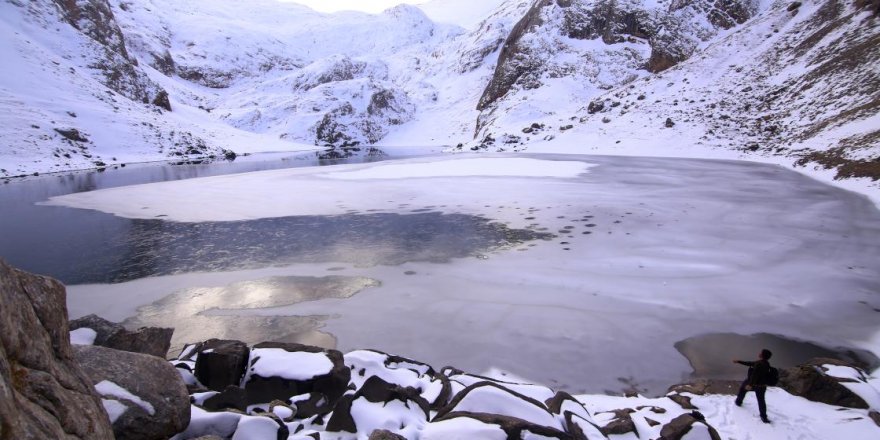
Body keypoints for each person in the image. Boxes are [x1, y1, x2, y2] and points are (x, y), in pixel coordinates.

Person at [733, 348, 773, 423]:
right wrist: (739, 361)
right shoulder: (766, 363)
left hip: (754, 384)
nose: (759, 353)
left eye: (760, 352)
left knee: (742, 389)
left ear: (762, 355)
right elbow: (750, 363)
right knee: (761, 401)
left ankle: (738, 402)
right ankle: (764, 417)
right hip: (762, 386)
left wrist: (750, 385)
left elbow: (755, 375)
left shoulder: (759, 364)